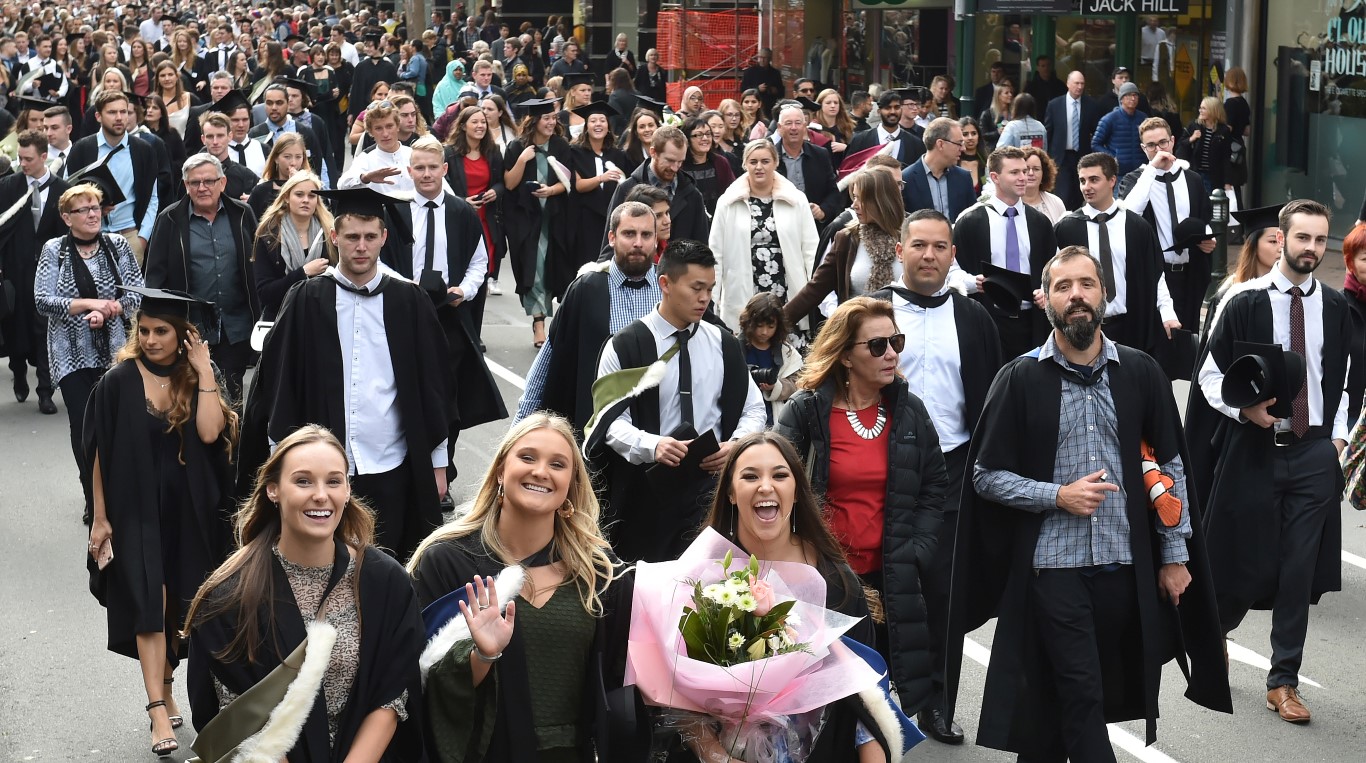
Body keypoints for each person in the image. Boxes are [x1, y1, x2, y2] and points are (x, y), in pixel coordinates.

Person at [949, 245, 1231, 761]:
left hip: (1126, 569)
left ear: (1106, 294)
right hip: (1053, 569)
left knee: (1075, 698)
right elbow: (985, 477)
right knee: (1082, 692)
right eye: (1063, 287)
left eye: (1087, 284)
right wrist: (1056, 495)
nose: (1076, 295)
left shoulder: (1141, 373)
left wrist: (1173, 555)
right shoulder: (1020, 378)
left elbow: (1169, 470)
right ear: (1046, 300)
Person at [1188, 199, 1363, 725]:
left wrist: (1334, 444)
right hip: (1254, 450)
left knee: (1296, 570)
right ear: (1280, 238)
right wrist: (1244, 409)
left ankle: (1283, 681)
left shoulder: (1335, 306)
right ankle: (1214, 634)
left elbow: (1348, 381)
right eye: (1302, 238)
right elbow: (1208, 376)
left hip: (1312, 456)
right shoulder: (1243, 300)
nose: (1311, 248)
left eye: (1319, 239)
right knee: (1243, 557)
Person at [184, 425, 425, 761]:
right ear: (273, 490)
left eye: (333, 481)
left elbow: (393, 693)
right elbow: (237, 719)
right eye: (303, 481)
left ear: (347, 490)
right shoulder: (231, 596)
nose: (321, 494)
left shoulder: (386, 582)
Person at [408, 413, 638, 763]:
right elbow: (416, 684)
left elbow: (618, 680)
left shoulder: (601, 574)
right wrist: (480, 657)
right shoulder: (446, 561)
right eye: (527, 457)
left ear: (571, 485)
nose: (541, 471)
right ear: (501, 470)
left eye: (557, 464)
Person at [241, 187, 454, 562]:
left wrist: (438, 464)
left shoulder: (409, 301)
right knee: (322, 568)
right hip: (323, 473)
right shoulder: (306, 299)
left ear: (384, 238)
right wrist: (278, 463)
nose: (361, 247)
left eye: (370, 237)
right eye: (352, 237)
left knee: (389, 568)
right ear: (334, 237)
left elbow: (433, 388)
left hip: (391, 464)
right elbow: (279, 386)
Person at [680, 429, 908, 761]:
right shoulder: (706, 579)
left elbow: (866, 699)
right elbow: (676, 693)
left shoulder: (838, 585)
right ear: (730, 492)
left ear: (797, 490)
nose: (766, 486)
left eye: (779, 475)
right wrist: (716, 755)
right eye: (750, 476)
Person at [774, 295, 947, 723]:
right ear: (846, 357)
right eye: (877, 346)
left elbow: (934, 484)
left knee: (879, 704)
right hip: (825, 581)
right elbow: (773, 484)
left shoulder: (908, 412)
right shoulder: (806, 410)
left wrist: (917, 549)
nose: (891, 354)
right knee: (824, 706)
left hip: (890, 576)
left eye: (896, 342)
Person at [866, 209, 1001, 743]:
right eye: (918, 245)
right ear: (899, 250)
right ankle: (870, 703)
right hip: (874, 463)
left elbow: (992, 400)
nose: (929, 255)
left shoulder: (974, 319)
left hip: (950, 468)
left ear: (952, 255)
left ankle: (937, 703)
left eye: (940, 247)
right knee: (873, 588)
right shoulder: (869, 313)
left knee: (941, 591)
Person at [85, 285, 237, 759]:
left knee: (179, 608)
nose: (151, 339)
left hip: (188, 512)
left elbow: (212, 433)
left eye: (162, 331)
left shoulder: (195, 379)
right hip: (135, 513)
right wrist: (100, 518)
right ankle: (156, 708)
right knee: (150, 602)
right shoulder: (118, 382)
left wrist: (205, 369)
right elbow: (95, 454)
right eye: (145, 330)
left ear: (182, 335)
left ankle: (168, 684)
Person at [587, 239, 767, 563]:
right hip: (644, 499)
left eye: (710, 289)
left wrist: (736, 444)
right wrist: (652, 445)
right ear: (665, 284)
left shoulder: (724, 344)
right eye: (696, 288)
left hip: (711, 494)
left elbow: (753, 407)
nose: (705, 298)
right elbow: (608, 422)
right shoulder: (625, 346)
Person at [390, 135, 507, 460]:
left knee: (448, 392)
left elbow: (478, 261)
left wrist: (465, 291)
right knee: (407, 389)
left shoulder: (461, 212)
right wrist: (404, 288)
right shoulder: (396, 211)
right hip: (407, 310)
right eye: (419, 168)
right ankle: (409, 463)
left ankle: (445, 466)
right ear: (409, 171)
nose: (426, 174)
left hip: (450, 312)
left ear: (443, 169)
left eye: (432, 167)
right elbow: (382, 260)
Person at [33, 183, 143, 524]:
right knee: (84, 427)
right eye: (83, 209)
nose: (93, 214)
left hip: (115, 352)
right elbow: (43, 300)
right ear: (67, 217)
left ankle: (119, 492)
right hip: (70, 354)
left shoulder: (117, 245)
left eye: (96, 207)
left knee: (120, 424)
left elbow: (136, 294)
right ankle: (91, 497)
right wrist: (88, 305)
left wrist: (108, 311)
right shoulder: (55, 251)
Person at [514, 201, 661, 430]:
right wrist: (519, 431)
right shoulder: (586, 289)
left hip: (657, 431)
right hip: (594, 428)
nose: (638, 243)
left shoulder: (669, 289)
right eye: (629, 234)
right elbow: (548, 360)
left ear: (656, 239)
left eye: (646, 235)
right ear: (612, 238)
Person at [143, 153, 260, 405]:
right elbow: (155, 278)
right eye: (195, 182)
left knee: (231, 398)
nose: (202, 188)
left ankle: (231, 443)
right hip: (190, 329)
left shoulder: (242, 214)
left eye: (209, 181)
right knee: (191, 398)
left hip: (235, 327)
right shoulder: (170, 219)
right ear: (186, 185)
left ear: (223, 183)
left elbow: (256, 265)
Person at [1054, 151, 1178, 356]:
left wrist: (1167, 314)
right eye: (1082, 180)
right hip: (1084, 329)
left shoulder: (1136, 226)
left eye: (1094, 179)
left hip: (1130, 327)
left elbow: (1155, 275)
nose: (1087, 187)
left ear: (1112, 180)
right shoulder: (1066, 228)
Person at [949, 146, 1057, 358]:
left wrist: (1048, 291)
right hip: (988, 321)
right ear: (995, 177)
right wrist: (973, 282)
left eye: (1025, 171)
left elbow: (1056, 268)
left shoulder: (1039, 222)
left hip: (1033, 323)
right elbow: (950, 270)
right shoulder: (970, 221)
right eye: (1014, 172)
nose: (1023, 178)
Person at [1117, 117, 1215, 333]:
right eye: (1151, 145)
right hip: (1156, 275)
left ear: (1172, 141)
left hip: (1191, 273)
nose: (1158, 149)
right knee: (1160, 340)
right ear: (1143, 148)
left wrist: (1207, 238)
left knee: (1189, 339)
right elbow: (1129, 215)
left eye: (1162, 142)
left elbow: (1203, 216)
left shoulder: (1192, 179)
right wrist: (1152, 170)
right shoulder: (1135, 181)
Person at [710, 139, 818, 330]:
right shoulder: (727, 202)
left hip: (786, 284)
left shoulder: (796, 199)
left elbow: (811, 249)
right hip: (744, 286)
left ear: (776, 163)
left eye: (765, 161)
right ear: (745, 165)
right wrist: (713, 296)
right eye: (753, 162)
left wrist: (814, 293)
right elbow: (716, 253)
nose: (759, 167)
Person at [0, 129, 68, 415]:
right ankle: (17, 371)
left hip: (48, 271)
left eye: (28, 158)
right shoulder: (7, 187)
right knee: (15, 325)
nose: (22, 163)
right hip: (15, 268)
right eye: (19, 157)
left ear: (43, 156)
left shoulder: (63, 189)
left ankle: (45, 391)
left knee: (44, 330)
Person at [783, 168, 904, 325]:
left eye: (860, 199)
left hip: (906, 333)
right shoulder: (847, 238)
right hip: (858, 335)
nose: (854, 206)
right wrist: (775, 323)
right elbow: (814, 290)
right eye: (854, 198)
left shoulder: (912, 236)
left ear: (879, 201)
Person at [501, 97, 570, 348]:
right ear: (534, 121)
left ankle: (544, 321)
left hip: (554, 218)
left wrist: (551, 190)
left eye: (553, 118)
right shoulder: (518, 147)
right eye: (547, 118)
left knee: (548, 269)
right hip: (525, 220)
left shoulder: (561, 147)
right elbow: (509, 183)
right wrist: (523, 160)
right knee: (533, 270)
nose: (552, 122)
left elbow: (568, 181)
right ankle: (538, 322)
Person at [65, 89, 160, 266]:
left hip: (130, 235)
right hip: (90, 236)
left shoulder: (143, 150)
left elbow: (152, 197)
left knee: (129, 294)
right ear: (98, 116)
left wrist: (143, 238)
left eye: (123, 112)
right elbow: (66, 194)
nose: (119, 117)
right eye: (112, 112)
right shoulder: (82, 149)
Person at [443, 103, 507, 334]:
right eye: (475, 122)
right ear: (463, 126)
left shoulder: (493, 152)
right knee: (461, 272)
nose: (480, 126)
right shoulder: (449, 153)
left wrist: (495, 192)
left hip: (486, 221)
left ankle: (475, 331)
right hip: (461, 218)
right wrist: (462, 201)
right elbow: (444, 186)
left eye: (483, 122)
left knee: (481, 274)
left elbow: (501, 183)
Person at [604, 124, 710, 251]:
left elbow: (702, 248)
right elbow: (609, 245)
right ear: (653, 152)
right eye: (670, 160)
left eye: (680, 161)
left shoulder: (692, 194)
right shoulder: (627, 189)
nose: (675, 167)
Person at [251, 170, 336, 320]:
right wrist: (303, 272)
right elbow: (265, 293)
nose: (306, 200)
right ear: (286, 197)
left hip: (321, 318)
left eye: (311, 196)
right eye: (299, 194)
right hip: (281, 319)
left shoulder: (330, 234)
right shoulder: (268, 236)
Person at [569, 101, 631, 266]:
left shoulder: (618, 155)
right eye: (593, 120)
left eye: (602, 120)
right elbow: (578, 185)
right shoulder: (575, 152)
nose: (598, 124)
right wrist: (601, 178)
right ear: (586, 126)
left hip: (612, 218)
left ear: (608, 126)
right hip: (585, 220)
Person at [772, 103, 843, 229]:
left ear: (805, 126)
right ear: (779, 127)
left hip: (813, 226)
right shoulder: (769, 157)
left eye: (798, 123)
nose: (794, 128)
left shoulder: (820, 154)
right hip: (778, 227)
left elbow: (833, 192)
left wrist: (823, 211)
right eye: (788, 123)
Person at [249, 83, 331, 187]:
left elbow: (318, 166)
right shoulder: (255, 134)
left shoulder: (305, 133)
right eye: (269, 103)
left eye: (279, 103)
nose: (274, 107)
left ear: (288, 103)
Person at [738, 292, 801, 426]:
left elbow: (798, 383)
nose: (764, 332)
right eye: (759, 326)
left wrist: (776, 386)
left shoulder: (786, 352)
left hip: (775, 418)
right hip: (742, 418)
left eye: (770, 327)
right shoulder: (735, 347)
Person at [1043, 70, 1102, 209]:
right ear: (1068, 84)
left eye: (1082, 83)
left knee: (1079, 194)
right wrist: (1047, 156)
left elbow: (1097, 132)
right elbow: (1048, 132)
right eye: (1076, 83)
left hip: (1082, 156)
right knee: (1063, 195)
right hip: (1061, 157)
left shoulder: (1091, 105)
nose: (1080, 87)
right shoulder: (1055, 105)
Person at [901, 117, 974, 219]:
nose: (963, 148)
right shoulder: (906, 179)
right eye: (959, 143)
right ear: (940, 144)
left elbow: (971, 218)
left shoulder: (964, 178)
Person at [844, 90, 926, 168]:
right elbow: (849, 172)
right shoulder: (860, 140)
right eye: (887, 108)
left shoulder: (915, 144)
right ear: (879, 111)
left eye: (896, 107)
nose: (893, 112)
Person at [197, 108, 261, 203]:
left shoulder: (246, 175)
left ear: (230, 136)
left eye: (220, 136)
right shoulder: (193, 174)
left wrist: (254, 201)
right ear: (203, 139)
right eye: (210, 136)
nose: (215, 142)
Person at [679, 114, 735, 217]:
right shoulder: (679, 165)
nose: (705, 138)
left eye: (708, 134)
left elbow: (731, 192)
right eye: (699, 135)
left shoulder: (720, 162)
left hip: (718, 220)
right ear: (687, 139)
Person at [1177, 96, 1234, 195]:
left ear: (1213, 110)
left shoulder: (1223, 130)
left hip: (1213, 176)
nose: (1200, 110)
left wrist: (1227, 182)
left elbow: (1226, 157)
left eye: (1204, 108)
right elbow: (1181, 144)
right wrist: (1192, 138)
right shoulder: (1194, 125)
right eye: (1200, 108)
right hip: (1195, 172)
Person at [246, 132, 308, 219]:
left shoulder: (313, 188)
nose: (293, 163)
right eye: (287, 157)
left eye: (298, 157)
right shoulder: (261, 191)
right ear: (276, 158)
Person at [1092, 81, 1147, 176]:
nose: (1133, 98)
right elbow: (1096, 144)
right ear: (1121, 99)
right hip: (1119, 173)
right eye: (1128, 95)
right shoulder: (1109, 119)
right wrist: (1112, 157)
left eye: (1135, 95)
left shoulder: (1143, 118)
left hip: (1141, 171)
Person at [1020, 145, 1068, 223]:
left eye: (1036, 169)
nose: (1031, 173)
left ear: (1044, 173)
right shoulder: (1009, 203)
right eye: (1026, 169)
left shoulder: (1056, 203)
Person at [740, 47, 784, 116]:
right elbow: (743, 89)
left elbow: (782, 92)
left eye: (765, 58)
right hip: (753, 107)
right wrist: (757, 89)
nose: (762, 60)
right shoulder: (749, 72)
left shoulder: (775, 73)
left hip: (770, 107)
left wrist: (775, 90)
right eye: (760, 57)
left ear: (769, 59)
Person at [617, 106, 658, 175]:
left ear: (658, 128)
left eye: (651, 125)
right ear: (636, 132)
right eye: (642, 127)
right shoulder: (627, 157)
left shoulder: (666, 152)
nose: (647, 130)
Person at [976, 79, 1014, 150]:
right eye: (1006, 93)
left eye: (1011, 92)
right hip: (993, 150)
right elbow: (982, 134)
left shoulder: (1014, 113)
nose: (1010, 95)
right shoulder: (987, 114)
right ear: (998, 96)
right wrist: (997, 132)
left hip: (1011, 149)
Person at [957, 116, 988, 194]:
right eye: (965, 134)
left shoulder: (986, 162)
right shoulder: (952, 163)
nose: (970, 138)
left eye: (974, 133)